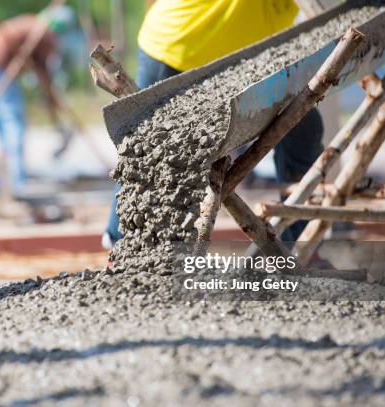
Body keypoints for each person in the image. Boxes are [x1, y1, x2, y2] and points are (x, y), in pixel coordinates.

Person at [103, 0, 324, 249]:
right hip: (179, 47)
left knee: (303, 127)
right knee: (152, 154)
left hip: (244, 59)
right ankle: (122, 247)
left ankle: (301, 246)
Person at [0, 6, 75, 196]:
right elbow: (45, 73)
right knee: (13, 122)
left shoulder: (29, 25)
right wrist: (54, 105)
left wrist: (51, 102)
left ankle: (8, 176)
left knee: (3, 128)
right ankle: (17, 181)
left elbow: (42, 74)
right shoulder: (43, 32)